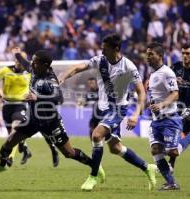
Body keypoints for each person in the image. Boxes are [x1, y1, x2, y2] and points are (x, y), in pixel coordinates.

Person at [0, 50, 105, 184]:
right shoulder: (34, 68)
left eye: (35, 62)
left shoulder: (50, 80)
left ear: (44, 65)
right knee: (8, 142)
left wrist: (37, 97)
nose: (32, 64)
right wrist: (17, 53)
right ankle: (1, 166)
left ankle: (95, 166)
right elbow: (24, 61)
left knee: (69, 153)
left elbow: (59, 98)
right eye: (32, 61)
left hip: (50, 122)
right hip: (33, 119)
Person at [59, 34, 157, 191]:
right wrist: (63, 76)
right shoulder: (100, 61)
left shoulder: (128, 67)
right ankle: (147, 167)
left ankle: (93, 176)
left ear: (116, 49)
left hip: (117, 109)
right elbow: (78, 67)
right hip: (103, 108)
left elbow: (141, 91)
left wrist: (136, 113)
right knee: (115, 148)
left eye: (105, 49)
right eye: (102, 48)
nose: (102, 51)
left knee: (96, 135)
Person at [0, 47, 59, 167]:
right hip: (7, 105)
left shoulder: (31, 72)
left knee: (18, 129)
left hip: (22, 104)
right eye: (18, 59)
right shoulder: (5, 70)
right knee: (13, 135)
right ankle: (25, 149)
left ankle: (11, 158)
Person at [146, 42, 190, 190]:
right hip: (156, 120)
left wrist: (161, 105)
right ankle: (172, 183)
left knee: (172, 152)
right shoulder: (154, 73)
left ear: (160, 55)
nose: (147, 57)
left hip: (170, 119)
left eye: (151, 54)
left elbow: (175, 93)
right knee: (155, 150)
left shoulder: (167, 72)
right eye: (147, 54)